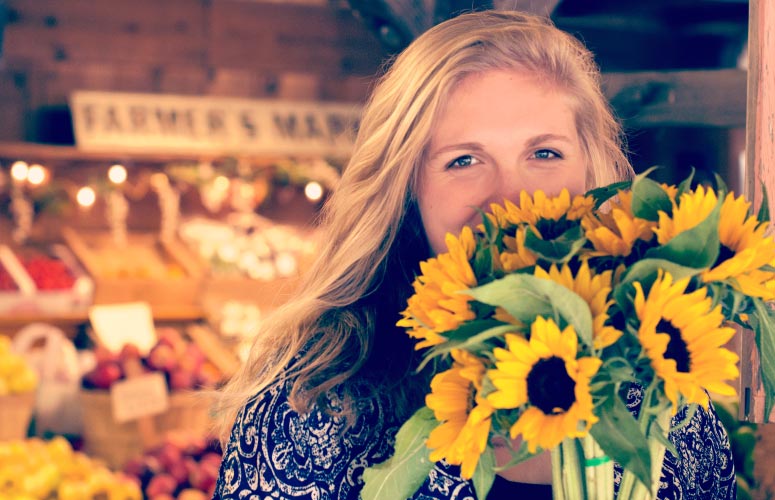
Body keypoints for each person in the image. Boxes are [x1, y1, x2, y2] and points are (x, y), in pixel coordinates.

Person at [212, 10, 736, 500]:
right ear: (407, 190)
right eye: (463, 160)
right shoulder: (319, 402)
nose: (512, 199)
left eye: (544, 153)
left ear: (592, 173)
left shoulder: (665, 390)